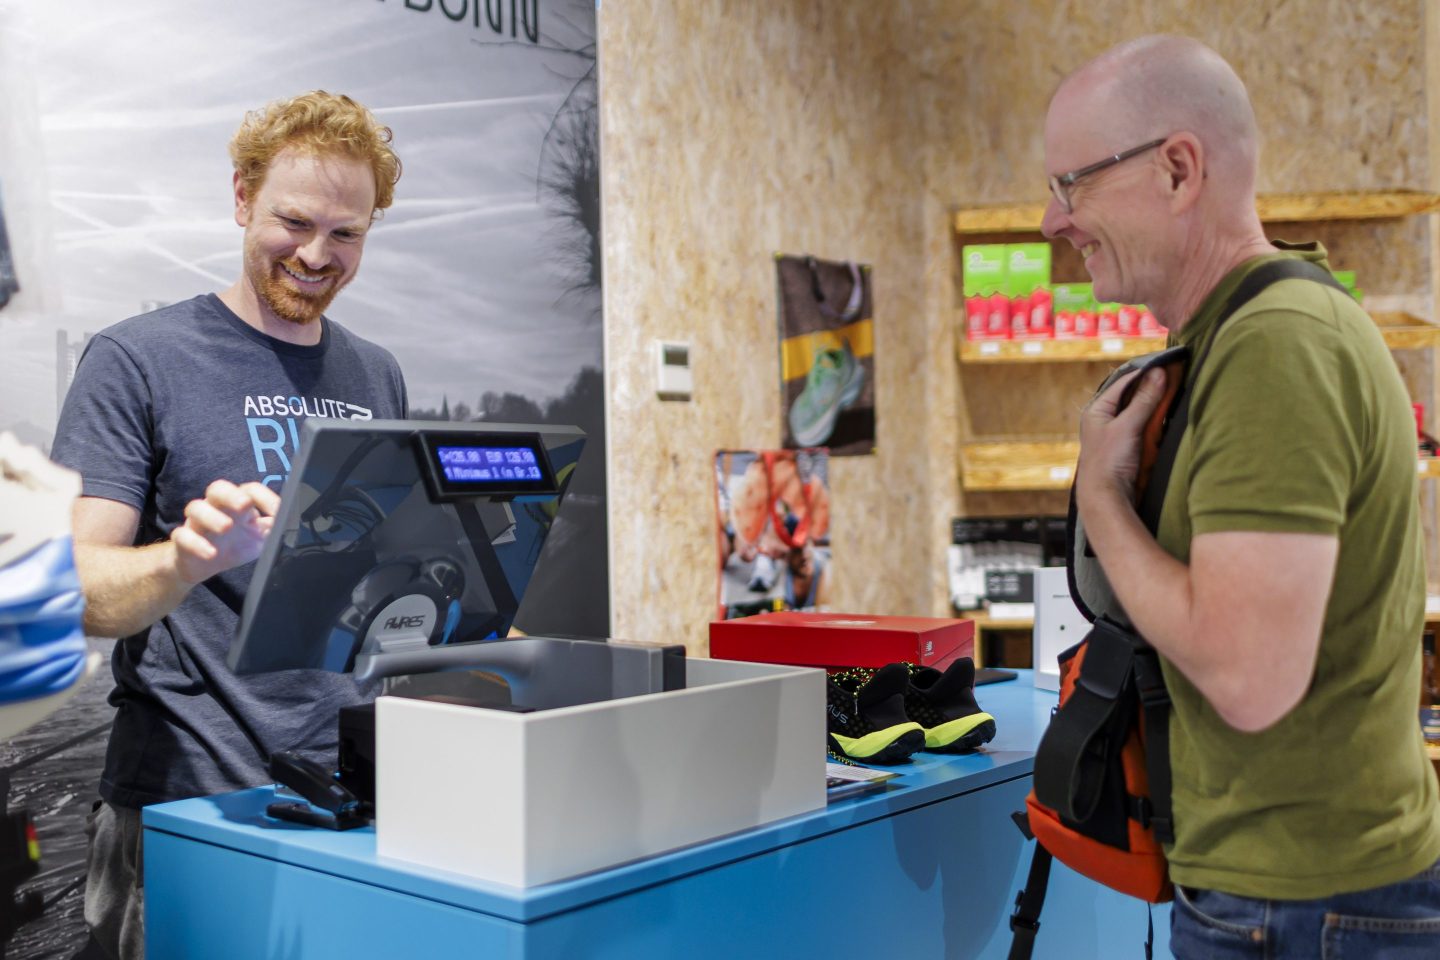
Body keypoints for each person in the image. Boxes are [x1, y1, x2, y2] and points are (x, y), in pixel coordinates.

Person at [1043, 36, 1440, 957]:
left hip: (1303, 905)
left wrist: (1103, 497)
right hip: (1295, 893)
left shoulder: (1275, 348)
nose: (1054, 221)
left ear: (1179, 170)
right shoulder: (1244, 336)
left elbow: (1248, 676)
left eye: (1074, 185)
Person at [50, 91, 408, 960]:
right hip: (185, 810)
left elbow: (386, 587)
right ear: (243, 198)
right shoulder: (137, 358)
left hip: (356, 806)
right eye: (294, 222)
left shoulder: (379, 375)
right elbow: (80, 591)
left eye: (348, 234)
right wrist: (180, 560)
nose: (318, 255)